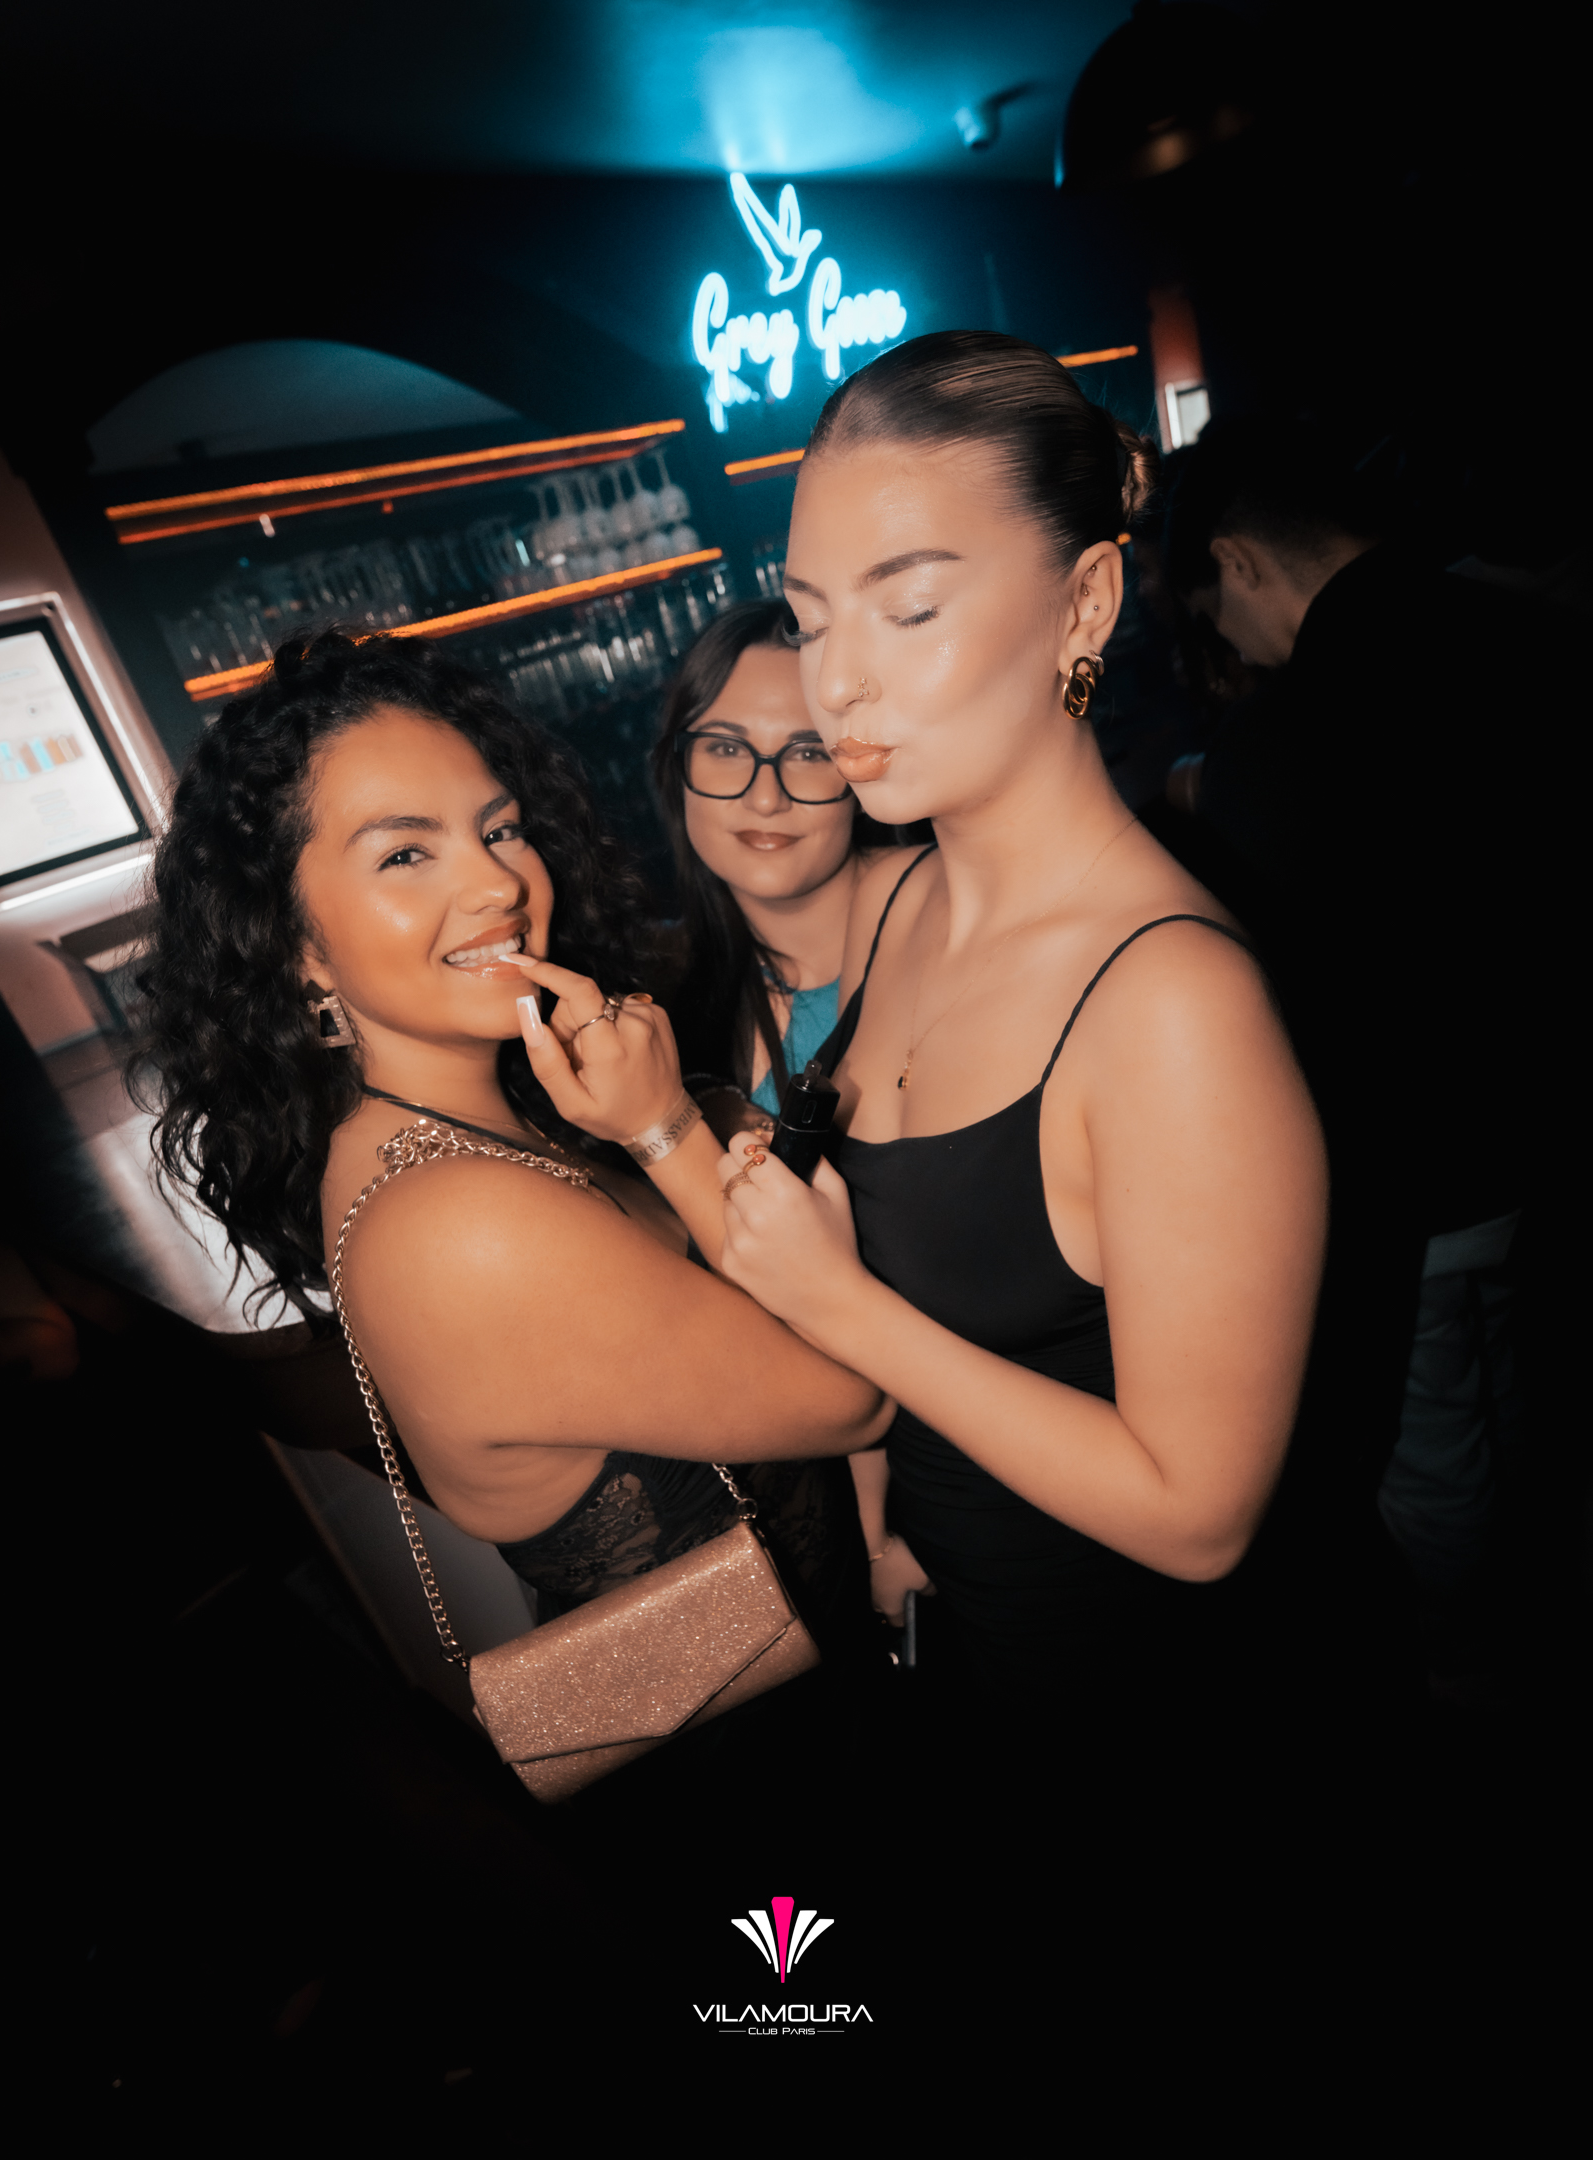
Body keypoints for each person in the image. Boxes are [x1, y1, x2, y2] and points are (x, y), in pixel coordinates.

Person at [655, 332, 1328, 1737]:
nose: (837, 685)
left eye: (907, 610)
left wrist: (844, 1307)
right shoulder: (901, 905)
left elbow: (1201, 1515)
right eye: (812, 617)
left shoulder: (1170, 1003)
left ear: (1086, 602)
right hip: (961, 1649)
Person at [133, 630, 889, 1662]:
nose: (497, 885)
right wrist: (667, 1128)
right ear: (296, 943)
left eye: (501, 829)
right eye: (406, 853)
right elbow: (854, 1400)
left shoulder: (480, 1126)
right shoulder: (458, 1224)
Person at [1162, 420, 1540, 1653]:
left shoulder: (1280, 739)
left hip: (1412, 1178)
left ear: (1240, 561)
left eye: (1219, 616)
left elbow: (1280, 998)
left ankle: (1478, 1671)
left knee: (1435, 1454)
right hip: (1535, 1127)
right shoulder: (1527, 629)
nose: (1231, 646)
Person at [651, 597, 904, 1136]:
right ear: (676, 768)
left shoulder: (951, 926)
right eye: (725, 749)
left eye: (810, 753)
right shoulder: (657, 991)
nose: (766, 799)